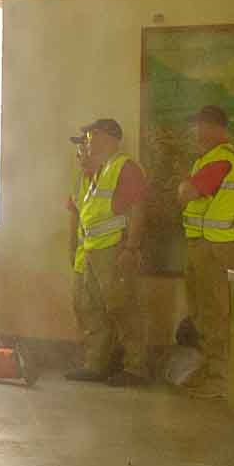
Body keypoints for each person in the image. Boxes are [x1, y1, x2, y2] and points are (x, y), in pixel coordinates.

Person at [66, 118, 147, 385]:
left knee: (122, 307)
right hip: (93, 250)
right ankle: (95, 364)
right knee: (93, 309)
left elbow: (137, 208)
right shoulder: (99, 170)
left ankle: (135, 368)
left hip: (114, 249)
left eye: (93, 134)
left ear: (109, 136)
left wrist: (131, 247)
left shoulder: (125, 167)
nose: (88, 140)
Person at [178, 105, 234, 401]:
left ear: (212, 126)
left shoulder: (221, 159)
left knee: (216, 314)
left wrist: (184, 188)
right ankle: (208, 371)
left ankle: (220, 380)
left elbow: (188, 194)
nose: (195, 132)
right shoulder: (207, 159)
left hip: (215, 248)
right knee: (202, 313)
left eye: (198, 126)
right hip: (202, 244)